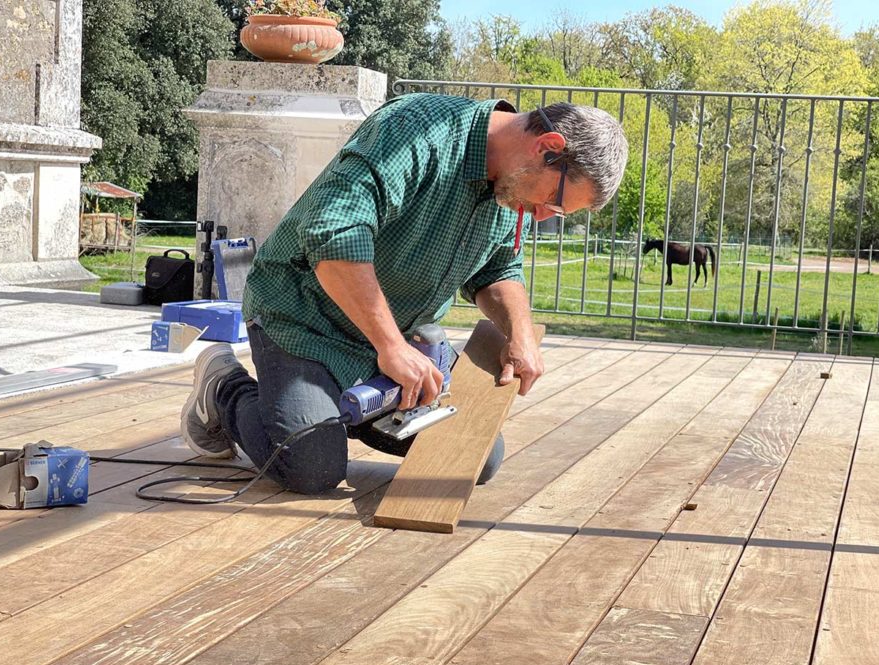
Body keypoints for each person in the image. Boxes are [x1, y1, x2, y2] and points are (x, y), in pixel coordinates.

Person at [180, 92, 628, 494]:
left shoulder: (514, 187)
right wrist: (390, 346)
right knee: (310, 468)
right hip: (303, 319)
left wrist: (520, 334)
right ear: (548, 148)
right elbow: (334, 233)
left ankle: (330, 408)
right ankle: (223, 386)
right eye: (551, 204)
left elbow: (498, 269)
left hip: (393, 346)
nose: (541, 215)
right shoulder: (416, 130)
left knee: (474, 458)